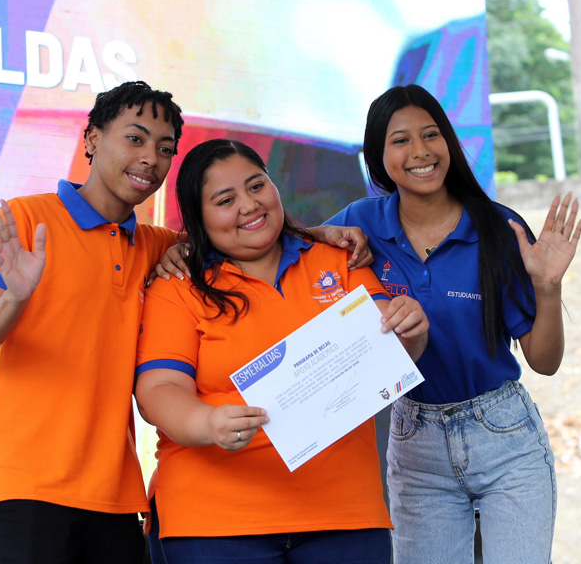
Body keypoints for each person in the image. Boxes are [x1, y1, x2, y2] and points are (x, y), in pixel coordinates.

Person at [135, 138, 429, 564]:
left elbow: (391, 348)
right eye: (225, 199)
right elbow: (158, 388)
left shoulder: (339, 260)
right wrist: (206, 421)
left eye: (257, 186)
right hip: (215, 523)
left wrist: (411, 329)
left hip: (343, 515)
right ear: (198, 218)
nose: (249, 205)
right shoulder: (177, 286)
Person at [326, 84, 581, 564]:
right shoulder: (360, 222)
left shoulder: (499, 229)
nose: (420, 151)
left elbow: (544, 362)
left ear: (449, 141)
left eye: (431, 134)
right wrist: (324, 234)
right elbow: (295, 250)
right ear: (379, 157)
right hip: (415, 443)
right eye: (400, 140)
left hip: (505, 438)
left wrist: (548, 288)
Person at [0, 81, 185, 564]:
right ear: (92, 139)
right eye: (136, 138)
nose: (151, 158)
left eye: (165, 149)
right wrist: (16, 298)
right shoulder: (26, 219)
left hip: (117, 498)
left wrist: (323, 232)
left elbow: (241, 236)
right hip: (24, 490)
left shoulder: (155, 244)